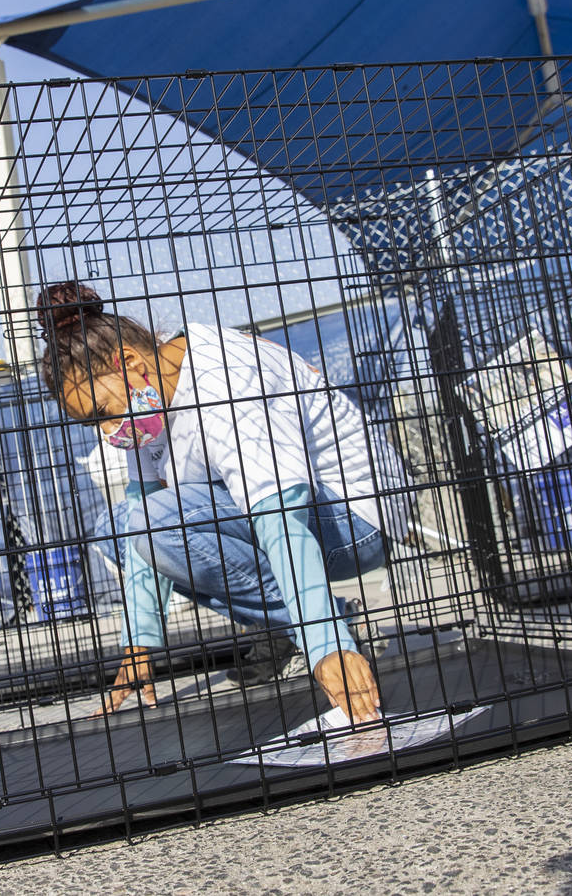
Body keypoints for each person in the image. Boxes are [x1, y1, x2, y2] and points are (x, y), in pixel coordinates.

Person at [36, 281, 411, 725]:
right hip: (291, 513)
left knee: (156, 522)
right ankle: (316, 622)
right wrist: (140, 643)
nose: (107, 431)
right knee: (115, 527)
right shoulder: (144, 402)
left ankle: (321, 629)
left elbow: (279, 513)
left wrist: (327, 644)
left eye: (101, 412)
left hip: (358, 515)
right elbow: (141, 523)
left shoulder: (224, 377)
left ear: (130, 363)